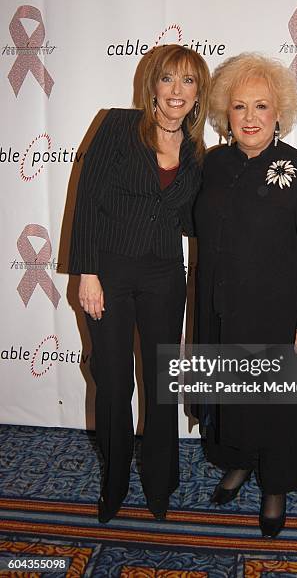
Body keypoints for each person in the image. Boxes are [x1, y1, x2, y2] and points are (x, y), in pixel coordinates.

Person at [193, 53, 297, 537]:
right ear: (224, 114)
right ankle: (238, 462)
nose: (250, 118)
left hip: (279, 315)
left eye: (261, 106)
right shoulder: (213, 165)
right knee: (231, 399)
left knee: (275, 408)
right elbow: (186, 221)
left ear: (280, 114)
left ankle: (275, 486)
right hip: (223, 311)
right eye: (239, 107)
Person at [69, 44, 210, 522]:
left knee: (162, 383)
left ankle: (159, 482)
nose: (177, 91)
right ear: (152, 85)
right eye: (168, 79)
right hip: (108, 273)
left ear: (198, 93)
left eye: (188, 81)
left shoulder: (196, 149)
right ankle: (113, 483)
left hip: (165, 276)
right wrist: (87, 272)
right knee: (112, 382)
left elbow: (194, 219)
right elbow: (87, 199)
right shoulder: (116, 126)